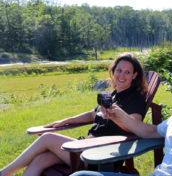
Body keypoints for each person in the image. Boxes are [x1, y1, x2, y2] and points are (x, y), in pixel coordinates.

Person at [0, 53, 148, 176]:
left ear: (134, 75)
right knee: (40, 160)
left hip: (100, 156)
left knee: (47, 138)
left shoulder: (135, 98)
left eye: (127, 72)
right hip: (86, 147)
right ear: (113, 70)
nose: (121, 75)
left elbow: (134, 126)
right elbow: (92, 115)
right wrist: (66, 120)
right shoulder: (113, 95)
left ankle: (4, 173)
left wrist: (115, 116)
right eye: (119, 70)